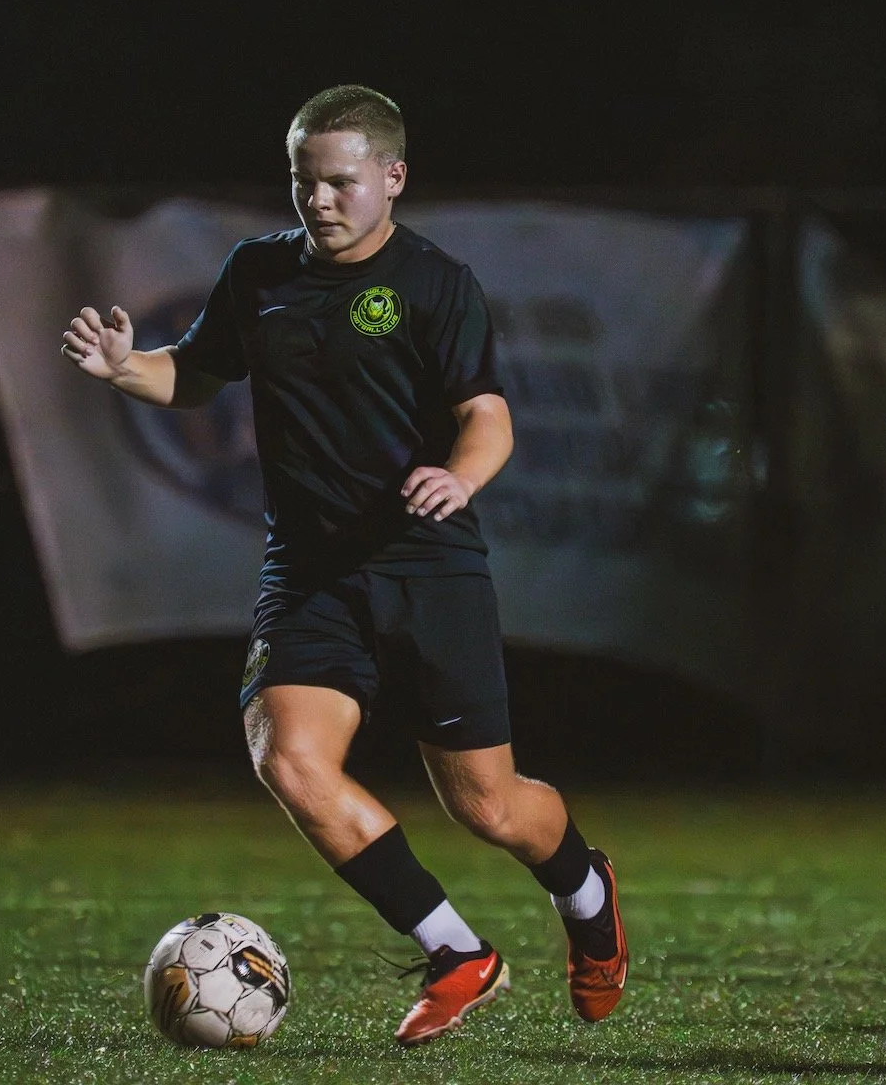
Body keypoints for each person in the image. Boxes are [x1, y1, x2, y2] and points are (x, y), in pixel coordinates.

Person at [61, 84, 627, 1046]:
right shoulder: (257, 273)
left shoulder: (435, 283)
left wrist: (457, 477)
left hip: (427, 567)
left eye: (340, 182)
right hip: (311, 573)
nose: (319, 201)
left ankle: (585, 895)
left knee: (488, 805)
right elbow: (196, 370)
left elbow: (487, 417)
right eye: (303, 182)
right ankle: (457, 954)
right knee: (288, 756)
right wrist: (128, 366)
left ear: (393, 178)